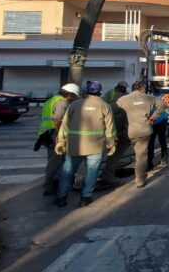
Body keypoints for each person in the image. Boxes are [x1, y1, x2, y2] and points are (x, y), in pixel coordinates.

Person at [54, 80, 116, 208]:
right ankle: (85, 198)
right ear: (99, 91)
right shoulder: (104, 106)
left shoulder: (75, 105)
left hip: (75, 146)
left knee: (68, 172)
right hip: (95, 146)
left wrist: (60, 141)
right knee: (92, 173)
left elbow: (64, 126)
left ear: (85, 90)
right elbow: (110, 129)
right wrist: (111, 144)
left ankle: (61, 198)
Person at [117, 81, 164, 188]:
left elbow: (115, 111)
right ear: (142, 88)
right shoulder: (149, 98)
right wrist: (152, 117)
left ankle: (107, 176)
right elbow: (162, 105)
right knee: (141, 156)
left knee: (117, 154)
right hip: (143, 130)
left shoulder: (122, 99)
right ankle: (139, 180)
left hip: (127, 130)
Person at [36, 83, 80, 196]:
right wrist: (60, 136)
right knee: (56, 162)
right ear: (69, 94)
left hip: (46, 134)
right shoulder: (62, 102)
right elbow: (57, 119)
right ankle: (50, 186)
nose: (74, 98)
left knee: (53, 160)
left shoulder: (51, 100)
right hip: (53, 135)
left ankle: (53, 182)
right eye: (74, 96)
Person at [97, 101, 131, 190]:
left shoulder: (108, 108)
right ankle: (107, 177)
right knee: (114, 157)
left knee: (102, 158)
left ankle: (103, 175)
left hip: (109, 136)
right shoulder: (122, 110)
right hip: (120, 136)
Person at [147, 95, 169, 169]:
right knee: (162, 140)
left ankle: (150, 163)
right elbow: (166, 114)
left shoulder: (148, 104)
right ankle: (164, 158)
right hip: (163, 122)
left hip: (154, 123)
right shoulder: (159, 102)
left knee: (151, 142)